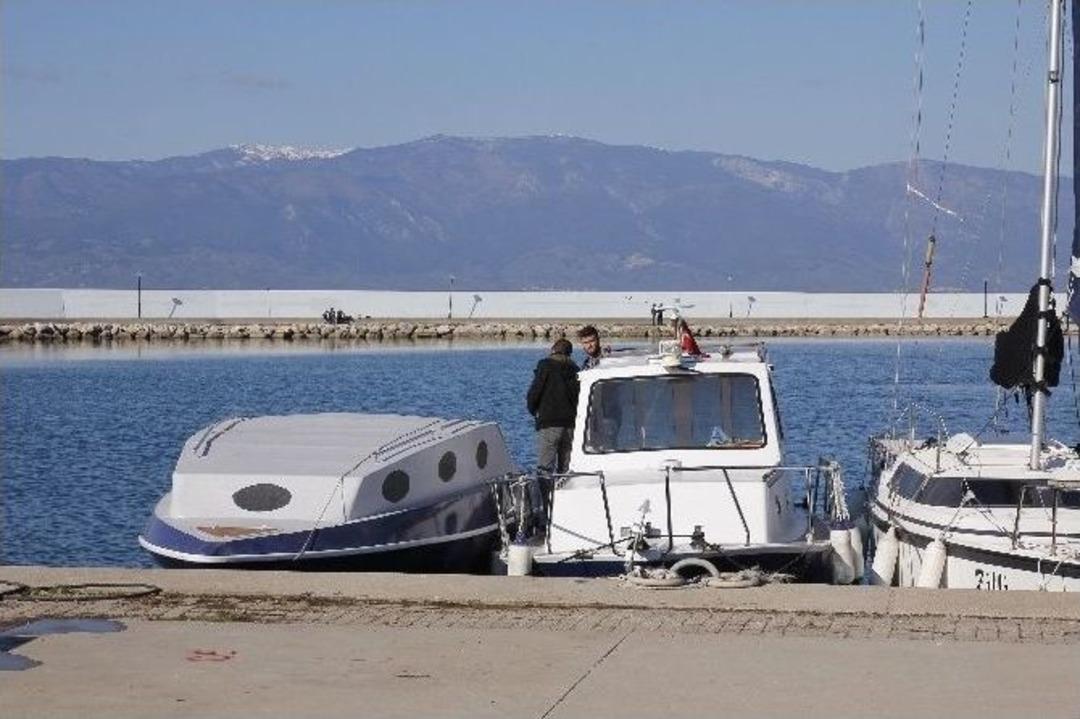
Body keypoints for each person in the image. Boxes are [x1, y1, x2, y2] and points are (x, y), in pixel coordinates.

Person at [526, 338, 579, 474]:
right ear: (569, 353)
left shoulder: (545, 365)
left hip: (549, 422)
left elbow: (535, 392)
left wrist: (534, 411)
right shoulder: (575, 370)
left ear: (553, 350)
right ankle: (565, 487)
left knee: (545, 468)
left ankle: (545, 488)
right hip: (570, 424)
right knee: (566, 468)